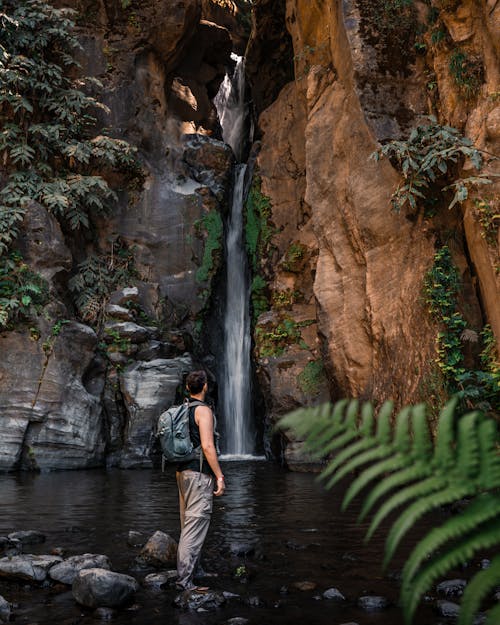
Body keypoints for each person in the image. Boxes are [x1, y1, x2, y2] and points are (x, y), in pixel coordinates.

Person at [176, 370, 225, 591]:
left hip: (181, 473)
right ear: (204, 387)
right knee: (194, 526)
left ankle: (196, 569)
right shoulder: (203, 411)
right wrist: (219, 476)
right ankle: (185, 582)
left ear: (188, 388)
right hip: (197, 474)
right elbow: (207, 446)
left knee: (188, 524)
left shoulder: (182, 409)